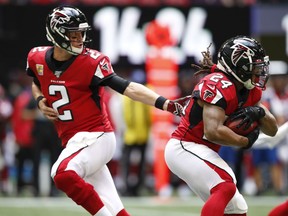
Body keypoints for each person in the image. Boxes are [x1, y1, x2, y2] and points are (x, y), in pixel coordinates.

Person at [25, 5, 188, 216]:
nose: (80, 39)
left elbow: (128, 87)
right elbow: (36, 81)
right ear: (57, 34)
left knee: (61, 173)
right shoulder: (36, 57)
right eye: (73, 34)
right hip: (74, 140)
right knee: (115, 208)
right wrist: (39, 100)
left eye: (81, 34)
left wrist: (165, 103)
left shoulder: (91, 61)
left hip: (95, 136)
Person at [164, 35, 278, 216]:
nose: (259, 71)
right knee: (225, 186)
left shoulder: (248, 89)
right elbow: (212, 131)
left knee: (236, 208)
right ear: (239, 65)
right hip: (185, 146)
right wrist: (245, 141)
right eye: (254, 66)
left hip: (201, 149)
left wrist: (260, 113)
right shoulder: (218, 83)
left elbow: (272, 130)